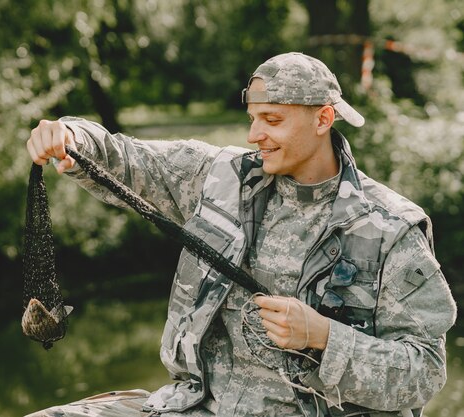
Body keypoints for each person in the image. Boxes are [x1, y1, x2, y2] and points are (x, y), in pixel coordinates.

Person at [24, 52, 457, 417]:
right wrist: (69, 135)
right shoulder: (219, 177)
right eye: (252, 118)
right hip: (194, 406)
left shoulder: (390, 228)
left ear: (323, 118)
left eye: (271, 119)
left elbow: (424, 372)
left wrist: (323, 335)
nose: (254, 135)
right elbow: (129, 159)